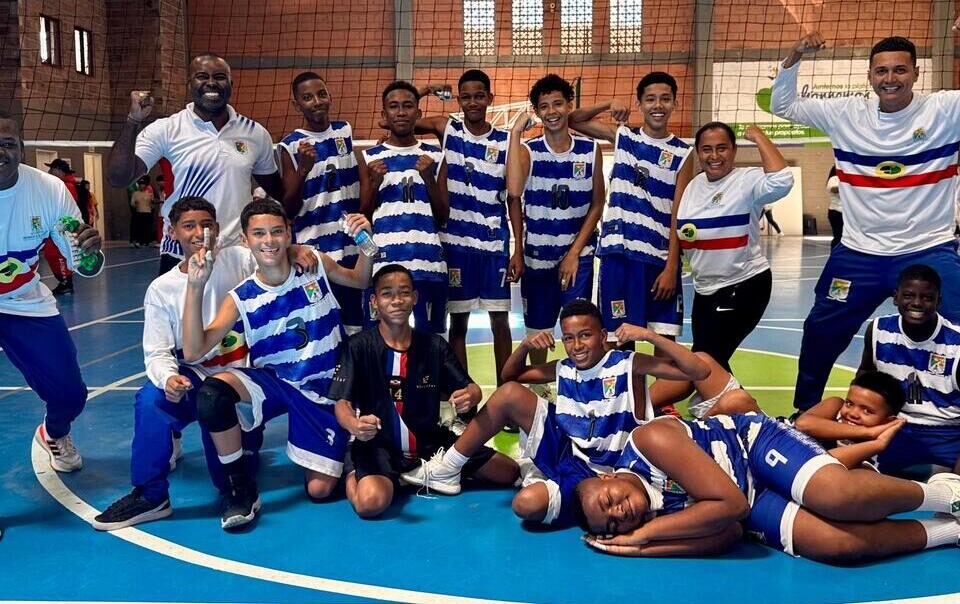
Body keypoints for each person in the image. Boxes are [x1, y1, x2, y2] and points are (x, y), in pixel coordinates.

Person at [92, 196, 316, 530]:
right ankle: (151, 494)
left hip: (244, 383)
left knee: (225, 477)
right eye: (189, 226)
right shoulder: (162, 289)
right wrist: (169, 378)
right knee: (151, 400)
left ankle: (237, 484)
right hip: (196, 380)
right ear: (172, 232)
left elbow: (272, 251)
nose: (200, 233)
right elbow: (156, 352)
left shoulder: (239, 260)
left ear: (218, 228)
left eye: (207, 224)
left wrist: (295, 250)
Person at [771, 33, 960, 413]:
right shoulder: (845, 113)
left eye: (900, 70)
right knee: (821, 331)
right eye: (882, 71)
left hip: (928, 248)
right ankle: (804, 414)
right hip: (859, 254)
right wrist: (795, 55)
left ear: (916, 73)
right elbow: (783, 104)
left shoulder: (946, 109)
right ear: (870, 76)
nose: (891, 78)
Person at [402, 300, 717, 526]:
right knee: (510, 395)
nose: (576, 345)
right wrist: (525, 346)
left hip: (617, 474)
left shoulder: (627, 364)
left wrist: (649, 336)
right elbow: (510, 378)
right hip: (572, 461)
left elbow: (699, 371)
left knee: (527, 506)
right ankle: (449, 467)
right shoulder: (564, 368)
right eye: (568, 337)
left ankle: (548, 482)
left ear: (603, 335)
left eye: (585, 335)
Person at [181, 198, 374, 530]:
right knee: (212, 395)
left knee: (319, 489)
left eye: (276, 232)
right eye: (258, 234)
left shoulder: (314, 264)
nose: (268, 241)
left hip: (326, 388)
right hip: (279, 382)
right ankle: (239, 487)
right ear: (245, 240)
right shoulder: (241, 297)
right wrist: (195, 287)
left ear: (289, 234)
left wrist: (366, 244)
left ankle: (347, 449)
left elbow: (359, 280)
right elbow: (193, 351)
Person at [576, 414, 960, 563]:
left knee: (836, 496)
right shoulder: (648, 516)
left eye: (608, 502)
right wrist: (644, 548)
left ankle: (945, 493)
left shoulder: (649, 441)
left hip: (753, 446)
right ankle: (950, 530)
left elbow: (730, 503)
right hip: (746, 499)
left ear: (608, 477)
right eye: (612, 526)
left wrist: (646, 533)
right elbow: (726, 534)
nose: (619, 514)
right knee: (837, 545)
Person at [328, 264, 519, 518]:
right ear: (374, 301)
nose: (396, 300)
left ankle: (421, 475)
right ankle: (353, 471)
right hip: (380, 446)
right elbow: (342, 402)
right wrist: (354, 425)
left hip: (432, 446)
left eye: (404, 292)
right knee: (370, 503)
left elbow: (470, 387)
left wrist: (471, 395)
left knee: (509, 473)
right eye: (387, 294)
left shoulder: (433, 345)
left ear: (415, 298)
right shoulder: (358, 346)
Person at [0, 111, 102, 538]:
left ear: (21, 147)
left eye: (7, 143)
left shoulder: (48, 190)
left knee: (70, 394)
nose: (0, 152)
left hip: (25, 304)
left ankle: (55, 432)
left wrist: (91, 249)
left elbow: (84, 262)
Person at [106, 53, 282, 275]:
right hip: (182, 251)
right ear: (190, 84)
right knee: (185, 311)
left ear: (230, 84)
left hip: (238, 253)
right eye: (202, 76)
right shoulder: (167, 129)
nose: (211, 82)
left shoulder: (255, 133)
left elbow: (278, 192)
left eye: (219, 76)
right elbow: (117, 178)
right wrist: (133, 121)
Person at [412, 70, 521, 390]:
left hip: (492, 245)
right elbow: (398, 115)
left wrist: (518, 248)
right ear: (458, 100)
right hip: (455, 244)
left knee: (499, 321)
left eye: (479, 95)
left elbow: (514, 197)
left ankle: (507, 391)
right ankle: (464, 395)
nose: (473, 102)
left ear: (490, 98)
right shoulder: (447, 127)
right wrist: (428, 88)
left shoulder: (505, 141)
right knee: (457, 322)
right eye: (466, 97)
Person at [569, 72, 691, 346]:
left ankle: (662, 391)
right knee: (617, 339)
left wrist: (673, 266)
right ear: (639, 104)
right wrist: (607, 104)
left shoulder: (684, 153)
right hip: (618, 256)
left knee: (665, 341)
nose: (657, 105)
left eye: (665, 99)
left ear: (675, 103)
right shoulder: (624, 137)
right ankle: (625, 391)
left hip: (658, 259)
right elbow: (573, 120)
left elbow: (678, 215)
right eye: (650, 99)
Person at [677, 123, 793, 372]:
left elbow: (782, 181)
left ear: (734, 150)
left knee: (704, 362)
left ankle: (742, 409)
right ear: (697, 152)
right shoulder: (694, 186)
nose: (714, 156)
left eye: (722, 148)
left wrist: (759, 136)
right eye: (707, 149)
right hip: (705, 290)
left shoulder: (746, 180)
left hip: (743, 285)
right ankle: (730, 406)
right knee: (708, 359)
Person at [507, 74, 605, 362]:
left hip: (578, 256)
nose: (552, 112)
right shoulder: (528, 151)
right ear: (537, 112)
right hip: (538, 258)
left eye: (558, 104)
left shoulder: (590, 150)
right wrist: (514, 135)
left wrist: (574, 253)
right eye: (544, 106)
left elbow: (597, 204)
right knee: (539, 335)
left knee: (580, 332)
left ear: (569, 105)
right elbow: (513, 191)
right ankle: (541, 394)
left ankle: (584, 391)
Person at [278, 72, 364, 334]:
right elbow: (288, 209)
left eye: (321, 94)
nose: (316, 101)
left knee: (355, 328)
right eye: (307, 97)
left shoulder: (344, 130)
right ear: (297, 105)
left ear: (330, 95)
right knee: (323, 328)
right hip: (314, 251)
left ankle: (355, 377)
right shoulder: (290, 146)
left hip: (350, 247)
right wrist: (303, 169)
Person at [359, 81, 448, 334]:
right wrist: (375, 184)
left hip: (428, 265)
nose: (401, 112)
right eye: (394, 107)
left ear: (418, 114)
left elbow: (443, 216)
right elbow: (363, 215)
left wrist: (429, 178)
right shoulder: (369, 157)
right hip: (383, 265)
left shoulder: (436, 156)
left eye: (408, 106)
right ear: (384, 115)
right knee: (379, 345)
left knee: (431, 346)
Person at [857, 264, 960, 475]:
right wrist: (859, 424)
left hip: (947, 433)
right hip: (895, 428)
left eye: (927, 297)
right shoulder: (878, 330)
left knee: (951, 498)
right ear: (895, 297)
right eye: (909, 295)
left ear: (938, 302)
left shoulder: (956, 344)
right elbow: (864, 379)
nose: (916, 303)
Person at [795, 370, 906, 470]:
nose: (852, 413)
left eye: (867, 411)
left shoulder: (878, 453)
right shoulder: (836, 406)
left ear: (888, 421)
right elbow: (802, 424)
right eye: (849, 403)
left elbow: (822, 465)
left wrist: (876, 442)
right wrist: (868, 432)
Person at [43, 158, 79, 296]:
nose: (49, 172)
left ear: (58, 170)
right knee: (52, 253)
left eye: (51, 169)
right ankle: (64, 281)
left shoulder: (64, 186)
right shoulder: (62, 185)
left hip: (60, 226)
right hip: (56, 225)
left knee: (57, 254)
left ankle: (66, 282)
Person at [130, 175, 156, 247]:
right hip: (139, 212)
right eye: (140, 184)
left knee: (147, 228)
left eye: (143, 184)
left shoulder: (150, 194)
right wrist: (135, 204)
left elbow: (152, 203)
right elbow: (132, 204)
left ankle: (146, 241)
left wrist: (152, 204)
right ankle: (138, 241)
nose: (142, 186)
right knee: (139, 228)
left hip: (147, 212)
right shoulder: (135, 194)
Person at [826, 166, 842, 248]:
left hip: (844, 213)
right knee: (838, 237)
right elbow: (834, 189)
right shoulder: (834, 179)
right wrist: (848, 186)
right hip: (836, 212)